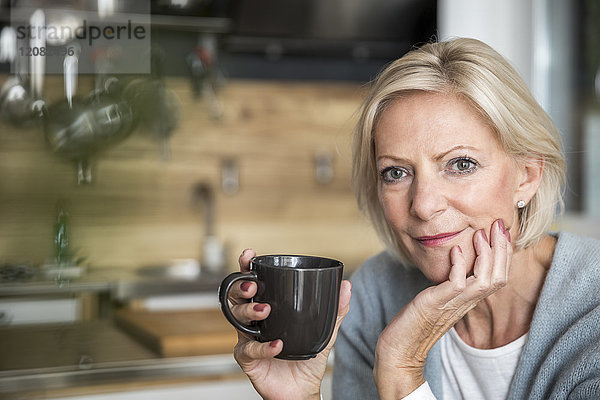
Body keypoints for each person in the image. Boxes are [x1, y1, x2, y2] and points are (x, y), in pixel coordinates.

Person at [227, 38, 600, 400]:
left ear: (527, 176)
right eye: (395, 173)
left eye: (461, 164)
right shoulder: (375, 293)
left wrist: (401, 370)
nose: (422, 205)